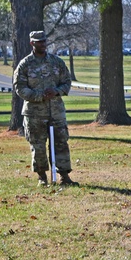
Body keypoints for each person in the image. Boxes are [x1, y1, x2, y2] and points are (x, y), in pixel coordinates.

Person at [13, 30, 77, 186]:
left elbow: (66, 82)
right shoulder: (25, 64)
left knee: (61, 143)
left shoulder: (57, 62)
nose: (42, 44)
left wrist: (57, 91)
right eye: (38, 42)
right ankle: (42, 177)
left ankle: (64, 176)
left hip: (56, 111)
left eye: (44, 41)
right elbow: (19, 87)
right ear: (32, 43)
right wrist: (39, 95)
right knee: (38, 145)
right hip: (35, 113)